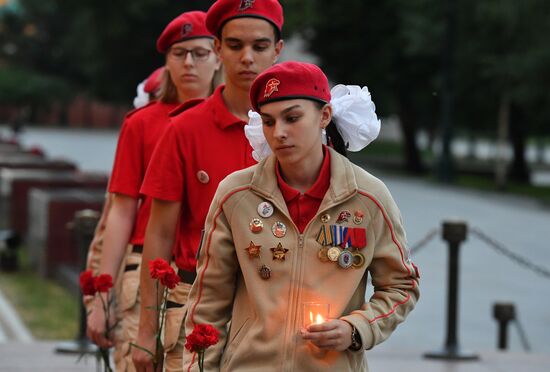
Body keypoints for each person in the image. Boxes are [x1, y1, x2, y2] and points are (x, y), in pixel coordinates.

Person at [182, 61, 420, 371]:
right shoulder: (236, 195)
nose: (278, 133)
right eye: (268, 121)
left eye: (292, 118)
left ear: (324, 116)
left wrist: (357, 328)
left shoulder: (368, 197)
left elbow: (401, 286)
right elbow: (208, 303)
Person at [132, 0, 284, 371]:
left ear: (278, 50)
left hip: (274, 313)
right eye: (235, 46)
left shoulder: (295, 130)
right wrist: (146, 330)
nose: (247, 57)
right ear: (217, 48)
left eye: (260, 46)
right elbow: (160, 233)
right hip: (193, 309)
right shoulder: (183, 129)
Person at [85, 11, 220, 372]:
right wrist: (103, 294)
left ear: (218, 56)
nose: (188, 63)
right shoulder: (142, 123)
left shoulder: (241, 122)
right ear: (166, 61)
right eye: (179, 54)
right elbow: (120, 211)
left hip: (205, 271)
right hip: (144, 265)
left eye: (199, 53)